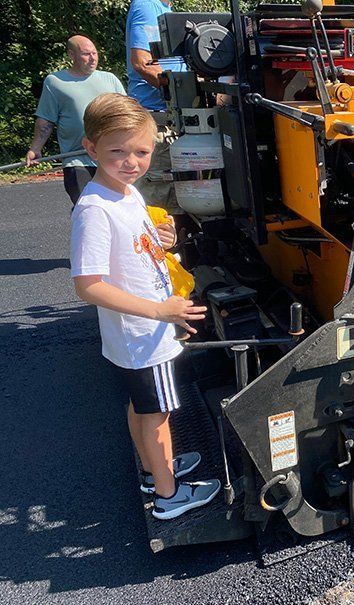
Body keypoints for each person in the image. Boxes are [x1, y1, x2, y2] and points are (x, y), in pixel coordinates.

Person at [71, 93, 220, 520]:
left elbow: (141, 244)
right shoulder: (95, 209)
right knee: (158, 413)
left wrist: (163, 240)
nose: (132, 161)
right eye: (118, 151)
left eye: (142, 151)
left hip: (136, 334)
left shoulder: (126, 193)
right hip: (143, 334)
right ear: (91, 147)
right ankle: (170, 495)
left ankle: (156, 472)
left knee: (142, 406)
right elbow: (88, 285)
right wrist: (160, 312)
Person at [26, 35, 126, 205]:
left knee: (117, 208)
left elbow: (128, 114)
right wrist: (35, 148)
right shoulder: (56, 82)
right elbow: (46, 120)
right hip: (77, 159)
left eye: (94, 53)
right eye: (86, 54)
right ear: (71, 55)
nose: (92, 58)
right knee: (87, 207)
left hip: (111, 157)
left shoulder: (110, 79)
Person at [126, 0, 186, 212]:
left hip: (171, 118)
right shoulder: (146, 5)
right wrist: (185, 89)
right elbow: (142, 63)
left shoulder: (166, 10)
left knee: (177, 197)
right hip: (157, 122)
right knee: (158, 202)